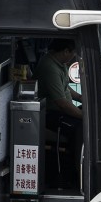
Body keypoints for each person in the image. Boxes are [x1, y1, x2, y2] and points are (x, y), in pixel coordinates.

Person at [35, 38, 83, 186]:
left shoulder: (59, 64)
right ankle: (75, 172)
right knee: (81, 128)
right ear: (66, 51)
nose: (74, 57)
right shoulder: (49, 67)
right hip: (52, 114)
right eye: (73, 53)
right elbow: (61, 103)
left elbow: (65, 87)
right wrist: (84, 117)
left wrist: (81, 98)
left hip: (62, 110)